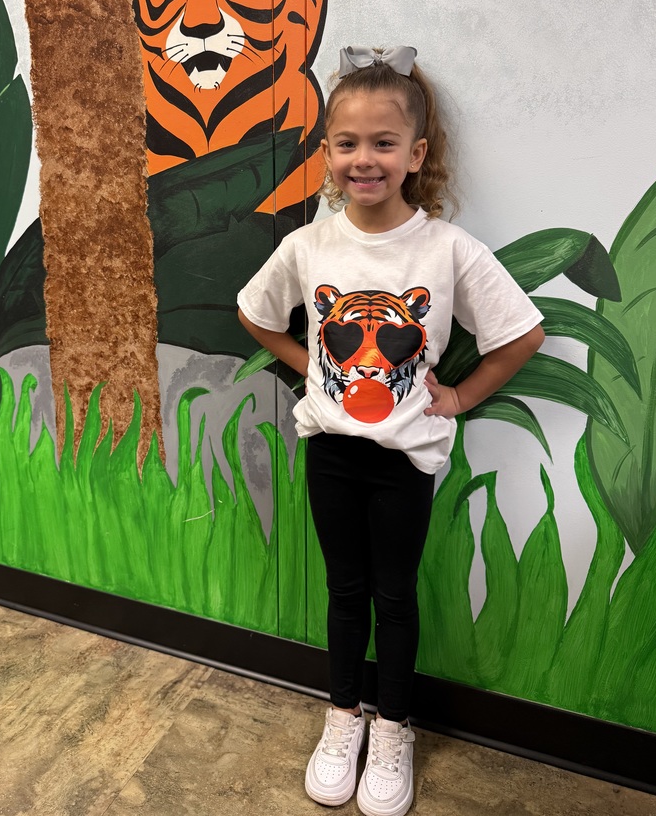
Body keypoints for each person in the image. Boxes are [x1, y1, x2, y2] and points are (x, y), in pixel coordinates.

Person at [237, 45, 545, 816]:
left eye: (382, 143)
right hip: (330, 449)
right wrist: (310, 363)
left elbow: (521, 334)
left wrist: (463, 394)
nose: (363, 159)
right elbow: (254, 311)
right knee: (345, 591)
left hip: (406, 458)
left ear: (417, 154)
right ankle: (343, 714)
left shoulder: (446, 250)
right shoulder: (308, 246)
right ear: (327, 154)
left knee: (394, 594)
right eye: (346, 143)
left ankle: (395, 726)